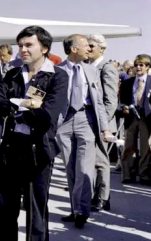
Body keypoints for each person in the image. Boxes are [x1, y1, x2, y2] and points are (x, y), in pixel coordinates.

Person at [0, 26, 69, 241]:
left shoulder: (57, 76)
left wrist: (22, 106)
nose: (23, 49)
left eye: (28, 45)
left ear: (44, 47)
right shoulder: (12, 73)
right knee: (4, 212)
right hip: (11, 148)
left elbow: (48, 116)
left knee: (35, 216)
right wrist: (22, 105)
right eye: (20, 44)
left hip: (38, 152)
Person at [56, 35, 111, 228]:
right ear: (73, 49)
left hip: (86, 120)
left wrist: (105, 128)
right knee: (70, 168)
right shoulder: (57, 71)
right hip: (63, 123)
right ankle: (74, 208)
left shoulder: (92, 71)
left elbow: (99, 102)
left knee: (85, 169)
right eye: (85, 45)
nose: (89, 48)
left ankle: (82, 211)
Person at [86, 34, 118, 211]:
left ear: (102, 49)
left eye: (91, 46)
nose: (88, 49)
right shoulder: (89, 67)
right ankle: (96, 194)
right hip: (91, 122)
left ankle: (103, 198)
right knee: (92, 161)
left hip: (102, 123)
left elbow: (110, 101)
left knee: (100, 161)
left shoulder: (107, 68)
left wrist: (102, 125)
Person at [118, 54, 151, 185]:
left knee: (145, 148)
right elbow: (121, 102)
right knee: (128, 146)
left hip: (146, 119)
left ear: (147, 67)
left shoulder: (150, 81)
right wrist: (123, 108)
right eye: (136, 65)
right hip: (131, 117)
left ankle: (144, 174)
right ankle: (128, 174)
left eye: (141, 65)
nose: (138, 67)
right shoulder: (127, 82)